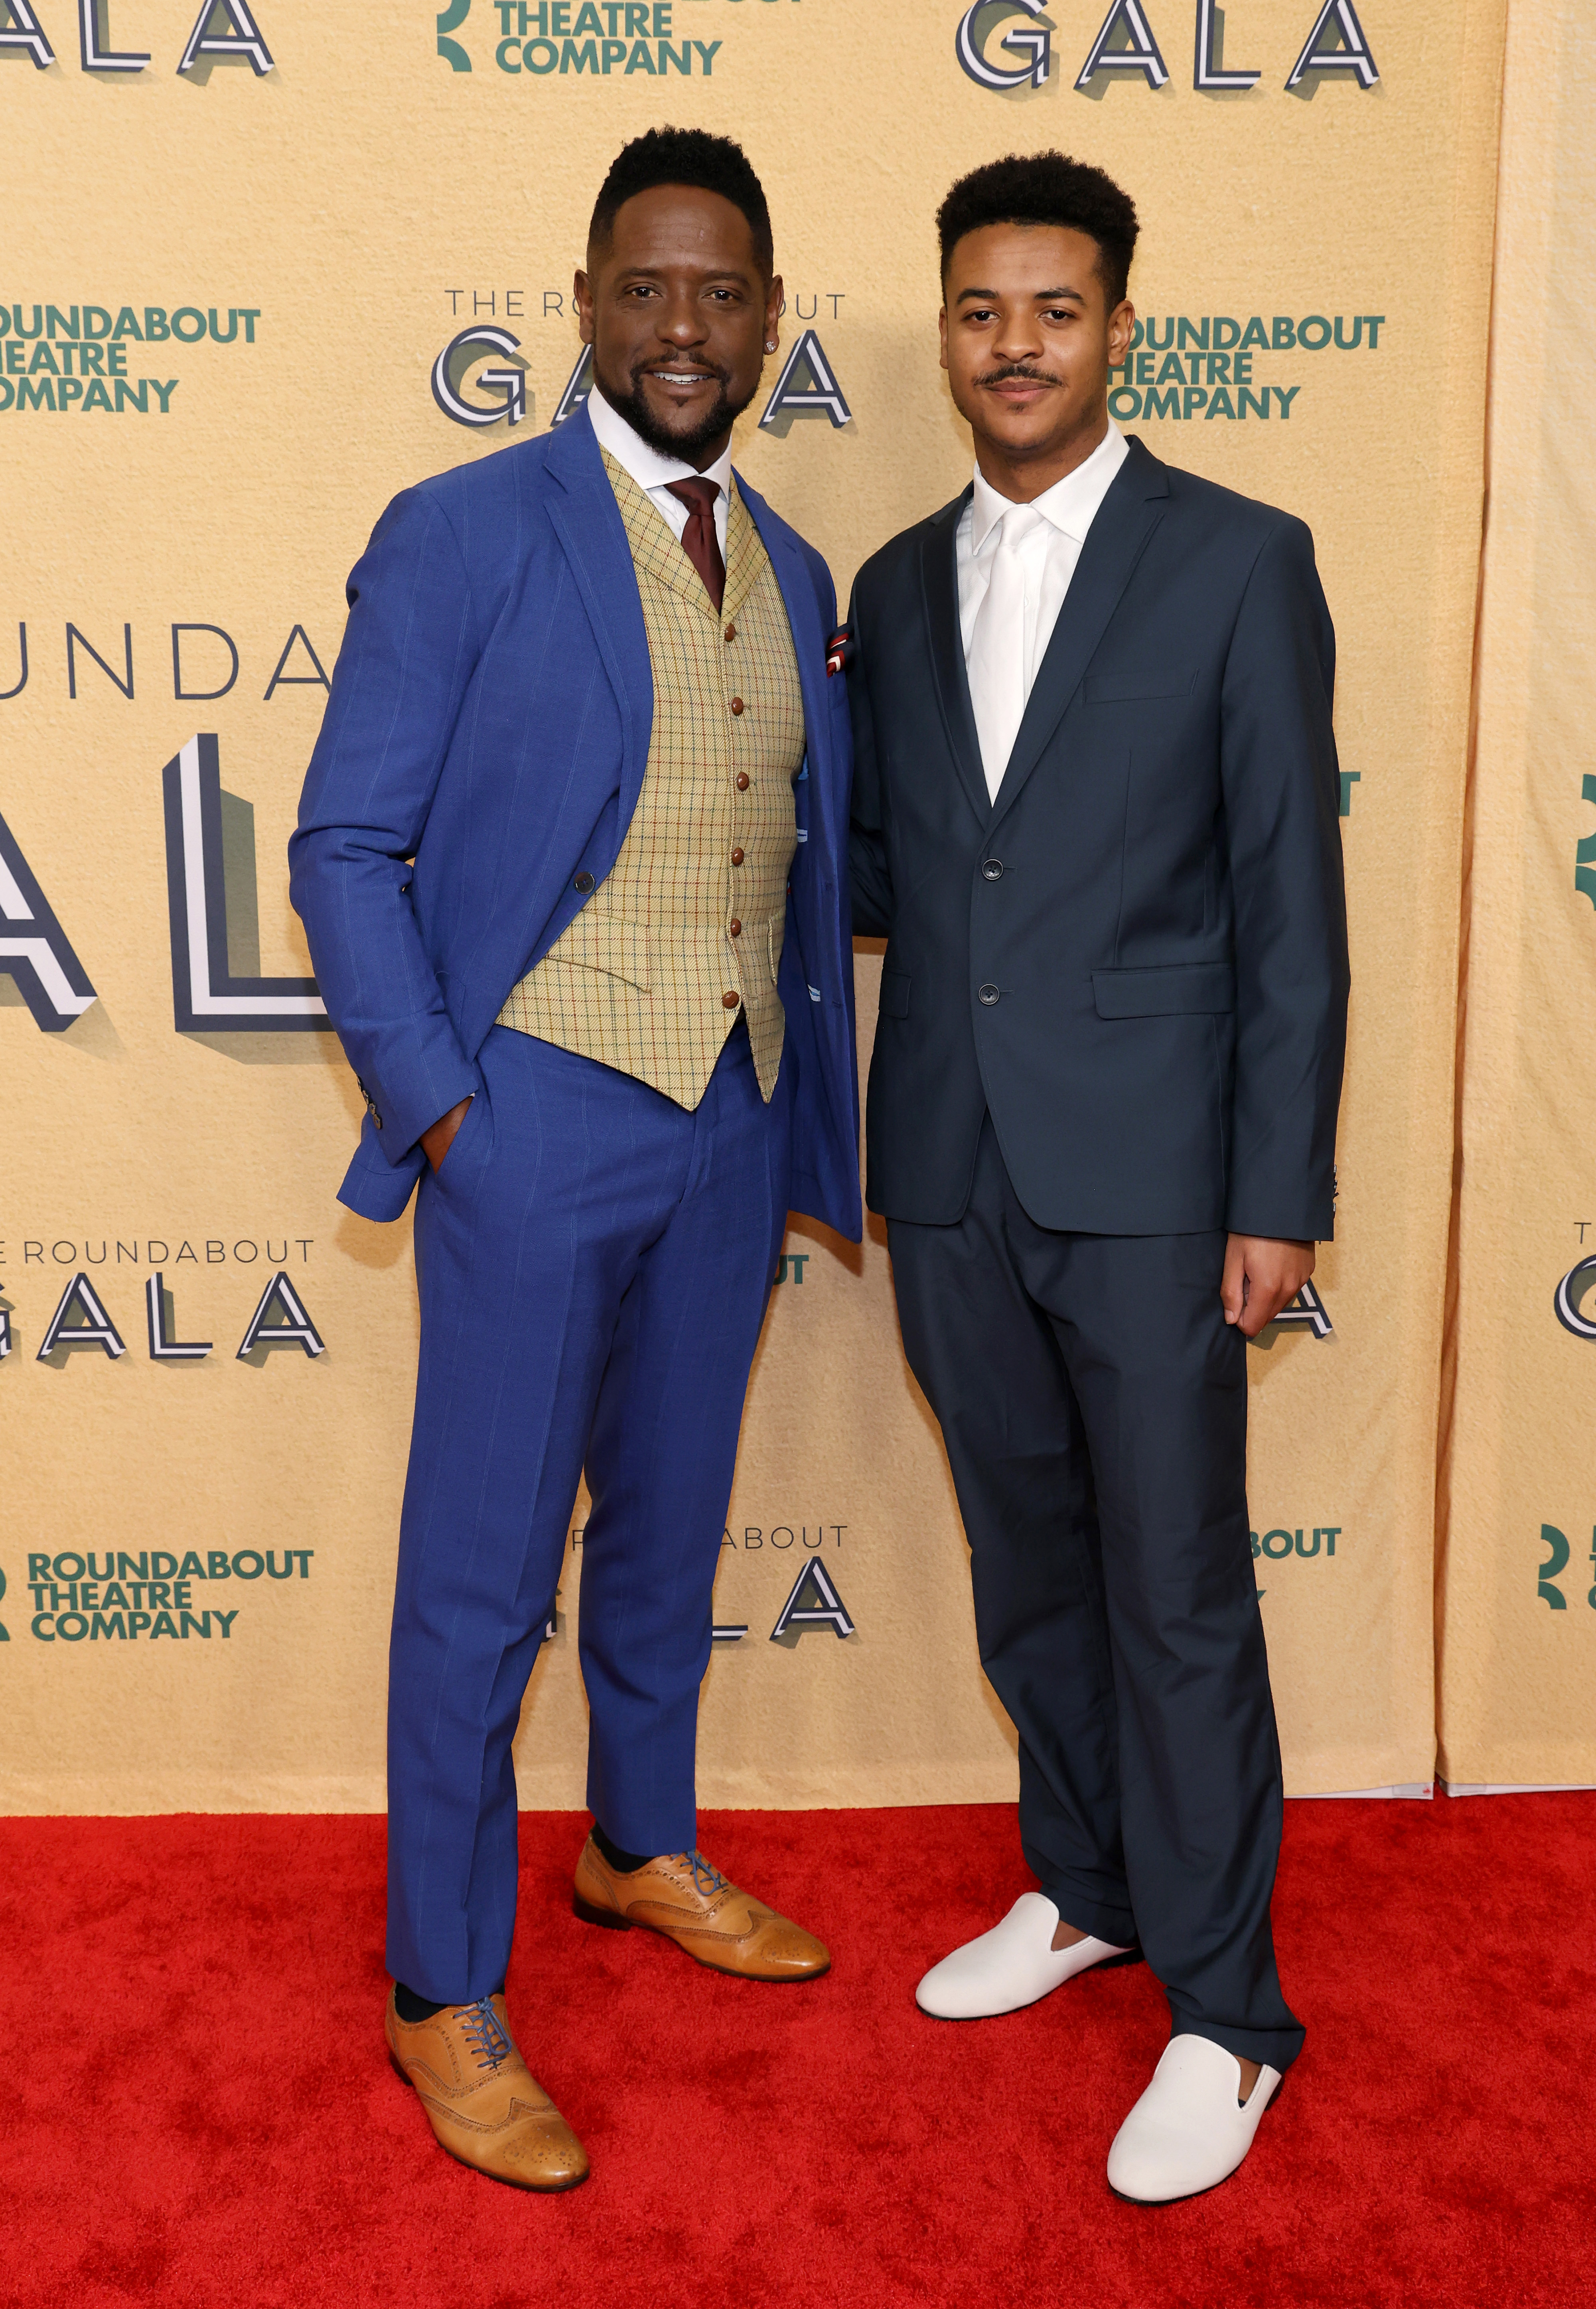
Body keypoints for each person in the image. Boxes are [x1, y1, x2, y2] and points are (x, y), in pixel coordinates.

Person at [290, 127, 860, 2192]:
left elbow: (788, 858)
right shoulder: (463, 532)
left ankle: (637, 1843)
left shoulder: (793, 573)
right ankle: (442, 1986)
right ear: (589, 303)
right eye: (647, 287)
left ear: (770, 322)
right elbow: (343, 844)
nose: (684, 326)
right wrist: (446, 1106)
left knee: (664, 1534)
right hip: (530, 1121)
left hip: (726, 1124)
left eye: (722, 293)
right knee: (475, 1586)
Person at [845, 151, 1347, 2203]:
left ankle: (1227, 2016)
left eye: (1054, 310)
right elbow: (892, 877)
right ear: (943, 327)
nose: (1014, 346)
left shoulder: (1235, 557)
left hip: (1155, 1181)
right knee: (1027, 1571)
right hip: (951, 1165)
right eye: (978, 310)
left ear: (1119, 324)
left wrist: (1277, 1189)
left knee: (1175, 1596)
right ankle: (1086, 1891)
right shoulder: (883, 582)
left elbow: (1284, 904)